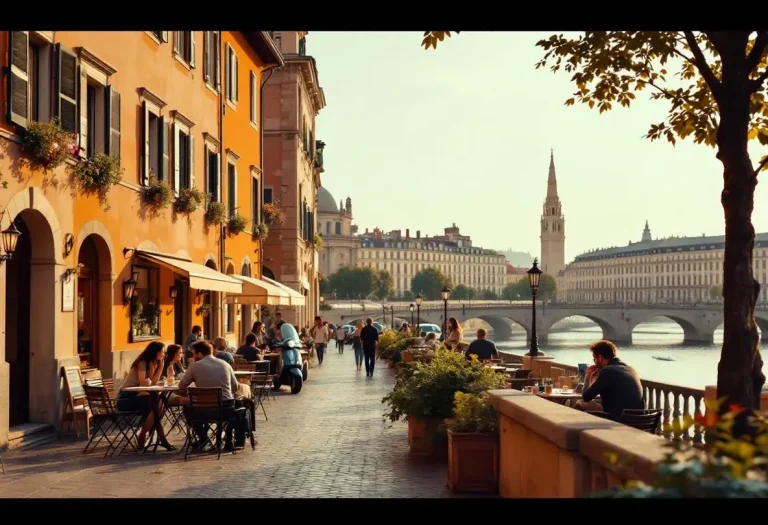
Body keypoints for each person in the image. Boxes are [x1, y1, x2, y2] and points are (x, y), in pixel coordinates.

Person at [178, 340, 248, 451]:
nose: (193, 356)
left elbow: (181, 386)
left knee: (185, 403)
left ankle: (203, 437)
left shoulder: (194, 366)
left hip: (202, 411)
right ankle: (229, 441)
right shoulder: (225, 364)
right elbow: (235, 387)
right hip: (225, 410)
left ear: (200, 354)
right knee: (237, 405)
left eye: (194, 354)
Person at [117, 342, 173, 450]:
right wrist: (152, 374)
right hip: (126, 398)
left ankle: (144, 434)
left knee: (158, 404)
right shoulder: (142, 363)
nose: (164, 354)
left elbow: (152, 383)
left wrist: (160, 367)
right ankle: (154, 437)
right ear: (156, 352)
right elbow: (143, 382)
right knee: (158, 405)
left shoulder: (154, 363)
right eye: (162, 351)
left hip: (141, 396)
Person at [578, 340, 644, 420]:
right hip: (640, 420)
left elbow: (586, 396)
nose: (594, 362)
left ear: (600, 358)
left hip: (618, 420)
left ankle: (569, 432)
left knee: (580, 405)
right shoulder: (630, 369)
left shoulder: (607, 371)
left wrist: (588, 374)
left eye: (594, 359)